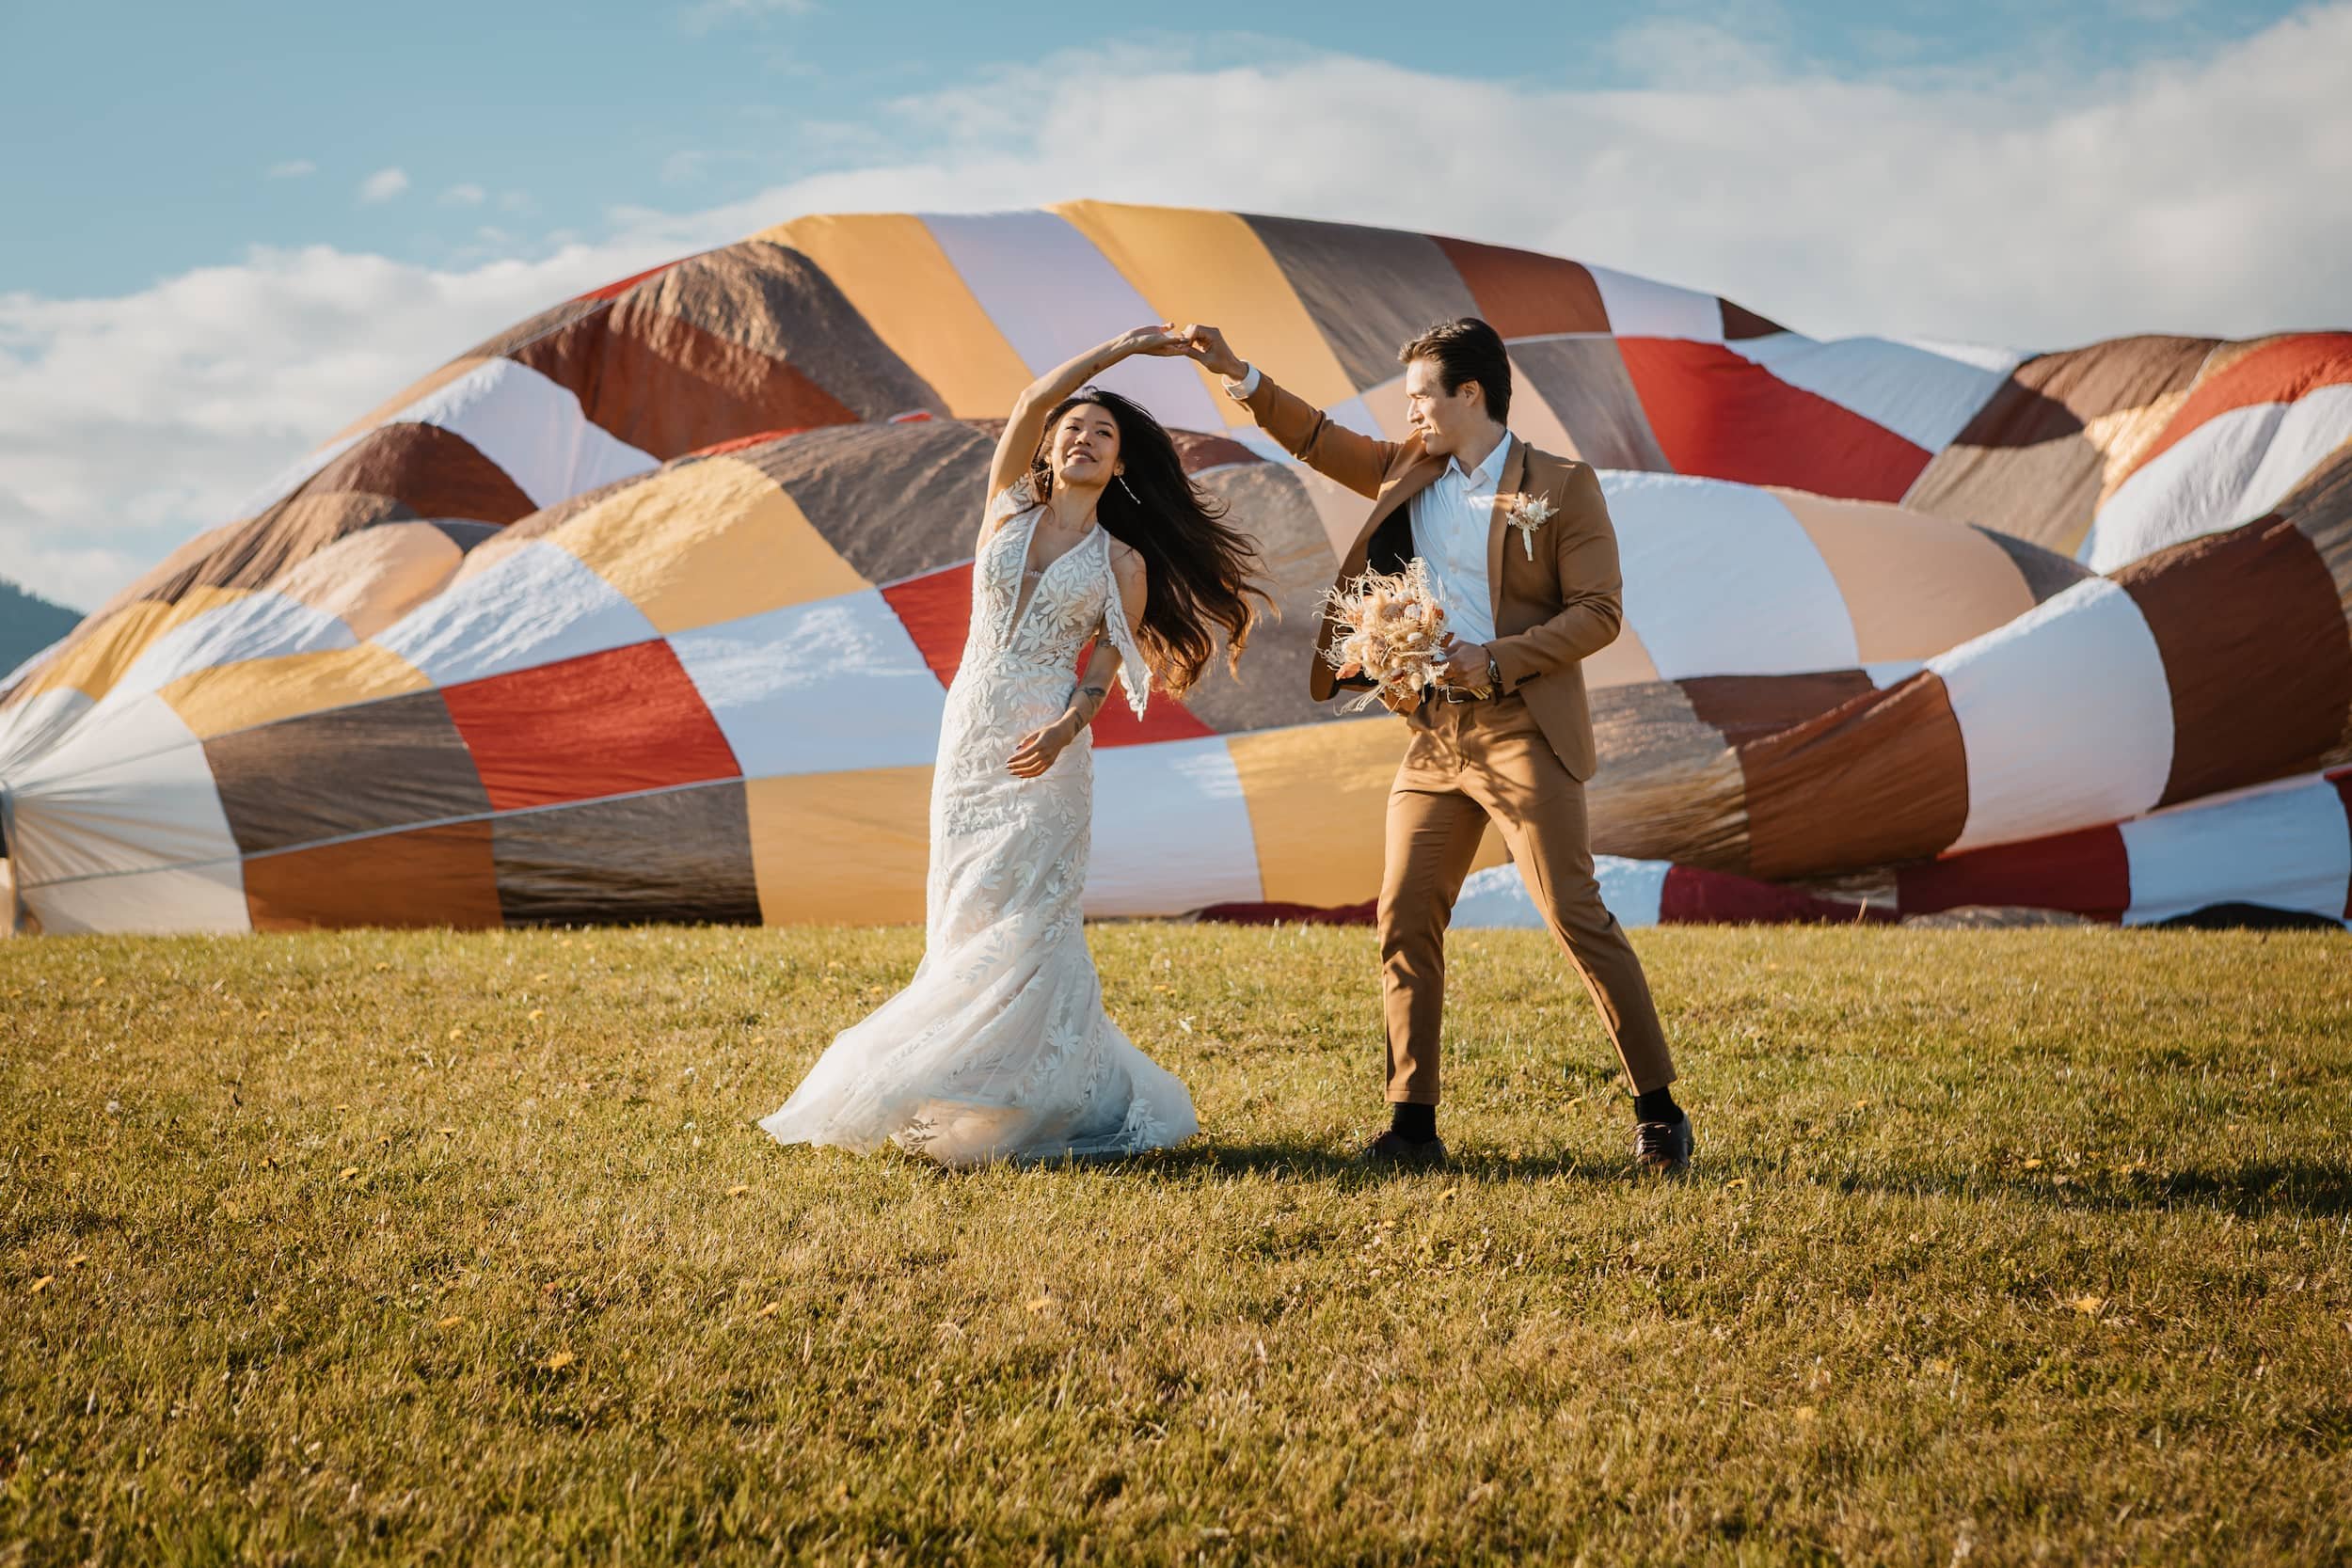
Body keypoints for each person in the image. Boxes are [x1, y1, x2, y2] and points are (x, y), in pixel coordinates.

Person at [1180, 316, 1692, 1172]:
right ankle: (1413, 1128)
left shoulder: (1563, 485)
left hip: (1525, 727)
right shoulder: (1404, 469)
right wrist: (1236, 370)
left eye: (1421, 393)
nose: (1409, 409)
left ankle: (1658, 1110)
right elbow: (1311, 435)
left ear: (1470, 393)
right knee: (1404, 914)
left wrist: (1494, 658)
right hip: (1433, 737)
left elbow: (1598, 614)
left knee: (1573, 913)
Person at [761, 325, 1267, 1166]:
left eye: (1103, 434)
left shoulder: (1125, 561)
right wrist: (1123, 349)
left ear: (1120, 466)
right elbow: (1033, 400)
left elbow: (1109, 660)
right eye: (1075, 427)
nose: (1084, 437)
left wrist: (1070, 725)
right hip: (968, 738)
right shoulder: (1004, 508)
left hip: (1048, 746)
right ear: (1051, 445)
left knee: (1031, 920)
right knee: (966, 911)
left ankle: (1041, 1094)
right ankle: (966, 1086)